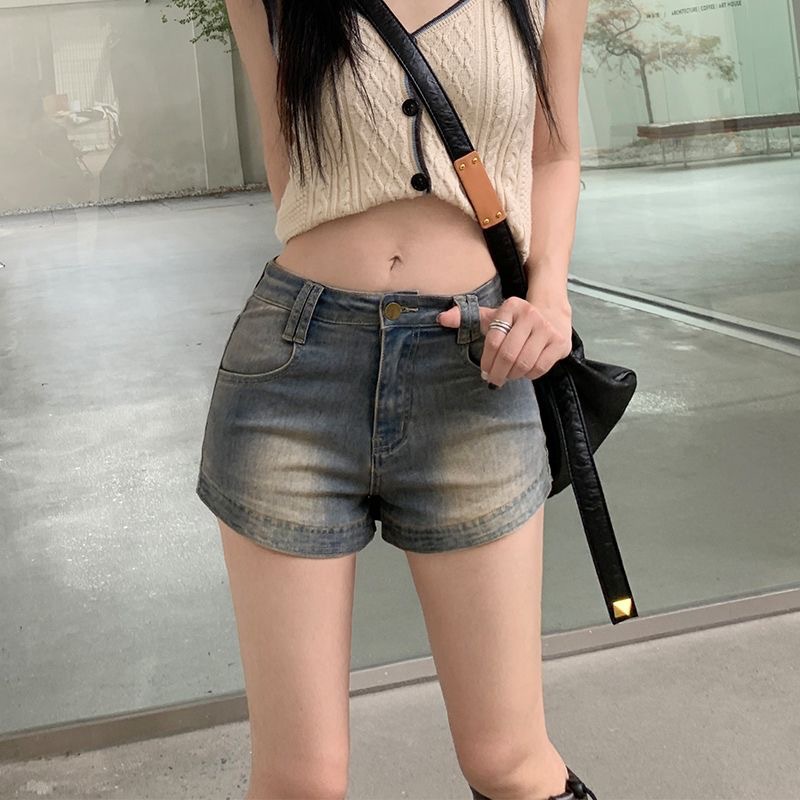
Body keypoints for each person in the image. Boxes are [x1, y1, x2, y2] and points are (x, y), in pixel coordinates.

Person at [195, 1, 595, 798]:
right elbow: (284, 151)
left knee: (509, 761)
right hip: (296, 369)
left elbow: (554, 153)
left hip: (476, 365)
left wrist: (549, 296)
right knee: (300, 781)